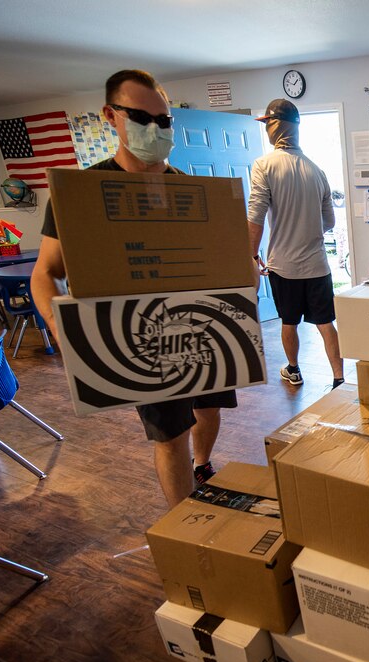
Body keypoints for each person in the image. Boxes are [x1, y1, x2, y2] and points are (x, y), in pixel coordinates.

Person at [31, 69, 236, 508]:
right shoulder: (80, 195)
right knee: (170, 433)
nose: (155, 129)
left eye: (164, 121)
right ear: (111, 115)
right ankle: (185, 526)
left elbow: (225, 267)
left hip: (200, 326)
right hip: (138, 335)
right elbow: (45, 273)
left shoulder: (193, 192)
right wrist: (62, 331)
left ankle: (203, 464)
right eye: (142, 117)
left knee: (208, 410)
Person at [247, 99, 345, 389]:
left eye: (267, 124)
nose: (266, 129)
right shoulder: (317, 171)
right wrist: (306, 224)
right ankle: (339, 378)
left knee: (288, 322)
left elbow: (256, 216)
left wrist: (252, 256)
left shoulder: (265, 165)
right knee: (325, 323)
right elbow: (329, 223)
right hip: (317, 265)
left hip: (284, 266)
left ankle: (294, 370)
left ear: (275, 127)